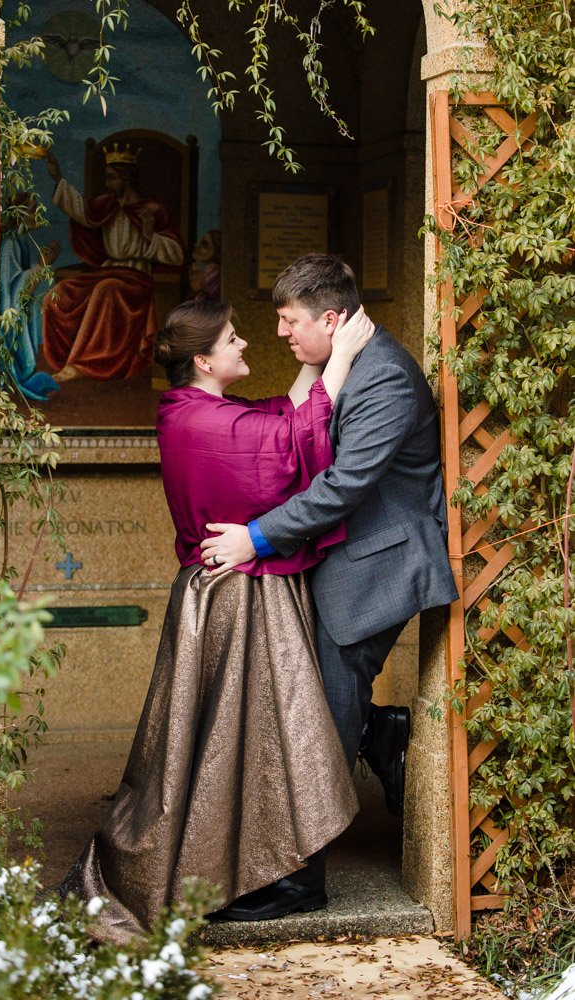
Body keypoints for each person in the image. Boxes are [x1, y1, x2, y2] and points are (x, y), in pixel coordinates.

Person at [59, 298, 375, 943]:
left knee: (251, 738)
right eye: (233, 339)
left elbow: (281, 419)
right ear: (203, 360)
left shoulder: (199, 411)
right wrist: (339, 356)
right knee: (239, 738)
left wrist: (323, 366)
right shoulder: (198, 421)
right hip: (238, 595)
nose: (246, 345)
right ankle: (235, 871)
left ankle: (268, 870)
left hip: (239, 589)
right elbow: (288, 445)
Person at [200, 254, 459, 921]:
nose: (281, 332)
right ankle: (380, 732)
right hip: (348, 557)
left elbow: (342, 487)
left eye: (290, 323)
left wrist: (253, 538)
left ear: (333, 319)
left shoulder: (388, 381)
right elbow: (291, 435)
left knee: (321, 717)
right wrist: (317, 363)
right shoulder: (346, 364)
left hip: (379, 567)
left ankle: (299, 881)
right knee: (311, 708)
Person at [42, 147, 184, 382]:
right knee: (57, 294)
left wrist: (150, 236)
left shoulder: (152, 211)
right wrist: (57, 177)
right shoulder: (106, 206)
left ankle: (82, 364)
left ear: (126, 178)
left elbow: (177, 255)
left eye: (111, 178)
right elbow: (80, 210)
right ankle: (66, 356)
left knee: (105, 290)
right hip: (107, 270)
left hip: (136, 275)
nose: (107, 183)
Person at [0, 195, 61, 401]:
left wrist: (42, 266)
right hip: (6, 315)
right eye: (34, 210)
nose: (39, 215)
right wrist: (42, 265)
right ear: (19, 214)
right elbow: (12, 291)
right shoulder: (11, 242)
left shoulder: (20, 239)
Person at [188, 228, 221, 301]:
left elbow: (214, 308)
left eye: (204, 244)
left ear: (217, 251)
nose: (196, 245)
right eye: (199, 242)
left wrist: (198, 292)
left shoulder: (219, 280)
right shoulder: (200, 275)